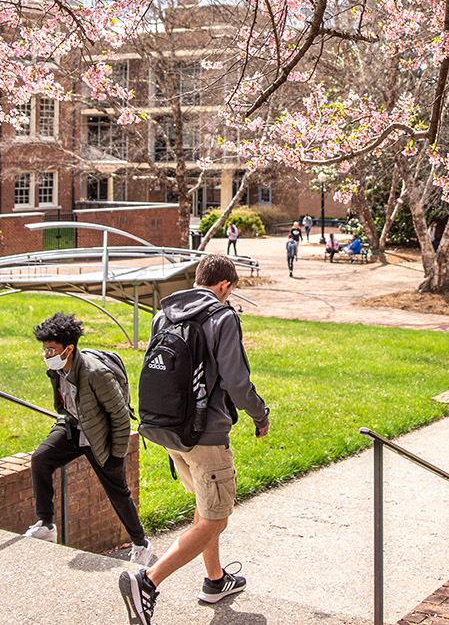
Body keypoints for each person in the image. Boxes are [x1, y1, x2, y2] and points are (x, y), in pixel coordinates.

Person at [120, 255, 271, 625]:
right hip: (206, 434)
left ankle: (216, 580)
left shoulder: (164, 314)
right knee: (215, 520)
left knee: (206, 508)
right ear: (224, 286)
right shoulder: (222, 317)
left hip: (170, 430)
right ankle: (147, 581)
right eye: (230, 291)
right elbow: (236, 382)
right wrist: (260, 415)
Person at [25, 312, 152, 565]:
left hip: (100, 437)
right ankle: (46, 524)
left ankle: (141, 544)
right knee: (41, 459)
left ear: (69, 349)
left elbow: (120, 417)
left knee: (118, 492)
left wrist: (116, 454)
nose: (46, 355)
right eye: (45, 349)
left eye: (51, 350)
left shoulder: (96, 373)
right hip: (73, 427)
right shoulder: (58, 370)